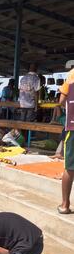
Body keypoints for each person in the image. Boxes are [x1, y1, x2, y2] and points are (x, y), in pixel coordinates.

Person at [57, 67, 74, 214]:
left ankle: (65, 204)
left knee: (70, 167)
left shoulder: (72, 73)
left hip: (73, 127)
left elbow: (62, 100)